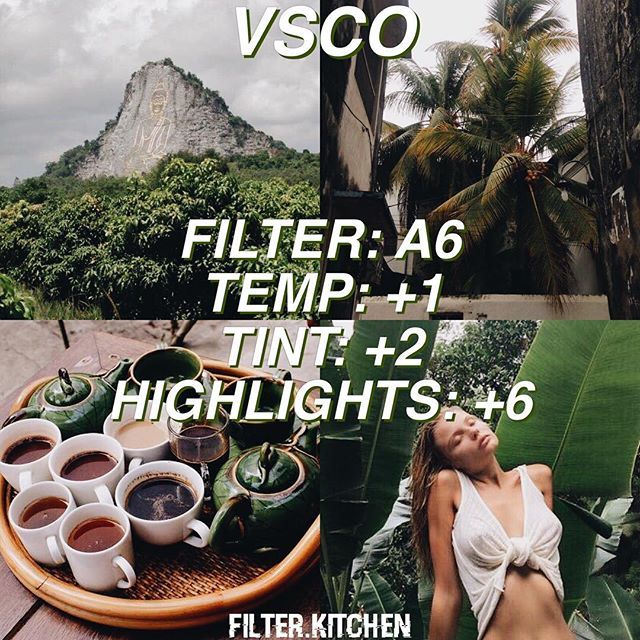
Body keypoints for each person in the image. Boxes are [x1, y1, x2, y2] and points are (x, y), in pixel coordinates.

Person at [410, 408, 574, 640]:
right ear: (452, 461)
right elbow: (447, 594)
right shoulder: (449, 487)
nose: (473, 432)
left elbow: (549, 569)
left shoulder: (539, 478)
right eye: (458, 439)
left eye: (472, 422)